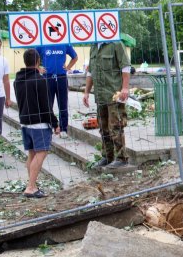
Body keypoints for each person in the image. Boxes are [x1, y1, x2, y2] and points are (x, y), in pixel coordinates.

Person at [13, 49, 59, 198]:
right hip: (39, 123)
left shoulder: (18, 79)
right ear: (38, 61)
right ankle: (31, 187)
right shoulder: (40, 80)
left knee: (32, 154)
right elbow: (46, 106)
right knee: (41, 152)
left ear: (25, 61)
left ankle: (32, 184)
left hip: (24, 121)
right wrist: (55, 123)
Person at [82, 41, 131, 170]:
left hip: (114, 93)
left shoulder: (116, 44)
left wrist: (125, 88)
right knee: (103, 127)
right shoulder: (93, 46)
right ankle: (107, 156)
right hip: (100, 94)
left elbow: (125, 67)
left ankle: (121, 158)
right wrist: (86, 92)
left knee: (116, 125)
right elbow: (90, 72)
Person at [36, 44, 78, 139]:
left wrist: (68, 67)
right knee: (47, 105)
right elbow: (33, 55)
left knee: (63, 104)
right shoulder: (43, 43)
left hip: (61, 77)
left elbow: (75, 57)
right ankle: (48, 128)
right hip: (48, 77)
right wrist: (38, 68)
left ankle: (63, 129)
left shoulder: (64, 43)